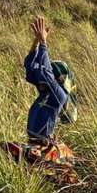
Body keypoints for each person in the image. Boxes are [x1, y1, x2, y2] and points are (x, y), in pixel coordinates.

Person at [24, 15, 69, 144]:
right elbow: (30, 68)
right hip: (32, 142)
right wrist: (36, 42)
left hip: (41, 144)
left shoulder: (59, 95)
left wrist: (43, 43)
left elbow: (45, 72)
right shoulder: (45, 92)